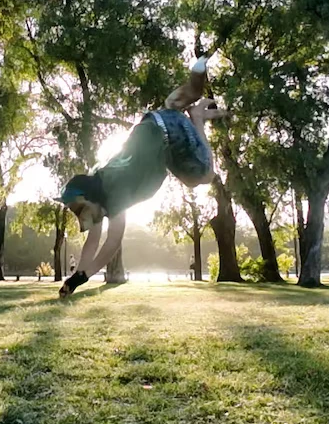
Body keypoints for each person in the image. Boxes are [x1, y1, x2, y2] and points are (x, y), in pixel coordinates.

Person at [57, 56, 228, 297]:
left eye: (79, 210)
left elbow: (111, 244)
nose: (81, 221)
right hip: (156, 120)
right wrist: (75, 277)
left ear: (88, 197)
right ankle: (196, 78)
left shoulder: (114, 192)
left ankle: (198, 117)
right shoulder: (99, 186)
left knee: (206, 175)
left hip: (170, 137)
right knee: (181, 103)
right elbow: (92, 242)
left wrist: (80, 279)